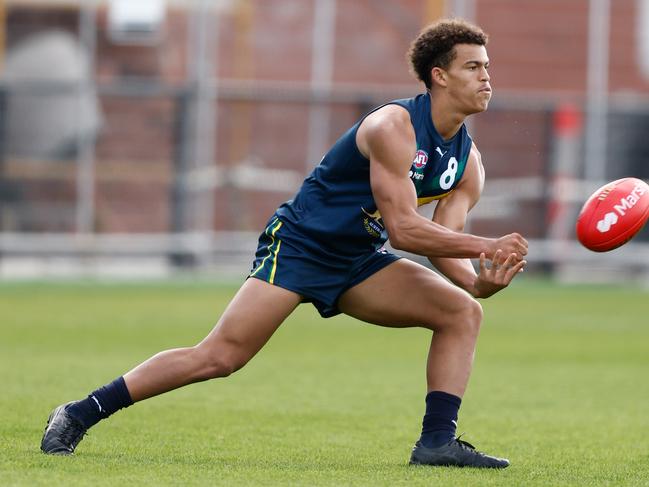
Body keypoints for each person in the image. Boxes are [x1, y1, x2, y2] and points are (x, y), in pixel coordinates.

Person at [41, 18, 528, 468]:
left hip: (359, 259)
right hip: (300, 246)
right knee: (220, 357)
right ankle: (80, 412)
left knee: (463, 313)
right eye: (473, 67)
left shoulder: (469, 163)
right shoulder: (392, 127)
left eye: (487, 67)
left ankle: (437, 443)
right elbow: (405, 229)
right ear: (439, 76)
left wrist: (477, 284)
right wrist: (487, 246)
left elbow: (443, 242)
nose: (487, 77)